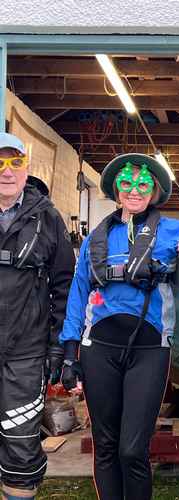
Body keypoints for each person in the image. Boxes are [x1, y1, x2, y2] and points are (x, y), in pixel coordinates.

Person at [59, 153, 179, 500]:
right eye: (127, 183)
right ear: (115, 190)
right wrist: (69, 353)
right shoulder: (96, 238)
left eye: (143, 184)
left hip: (150, 349)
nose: (135, 190)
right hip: (99, 350)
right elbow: (78, 293)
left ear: (155, 191)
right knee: (106, 446)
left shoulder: (171, 230)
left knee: (132, 449)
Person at [0, 133, 75, 500]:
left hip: (26, 353)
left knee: (21, 443)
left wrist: (60, 345)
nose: (6, 171)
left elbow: (65, 286)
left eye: (14, 161)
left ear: (26, 167)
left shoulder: (47, 218)